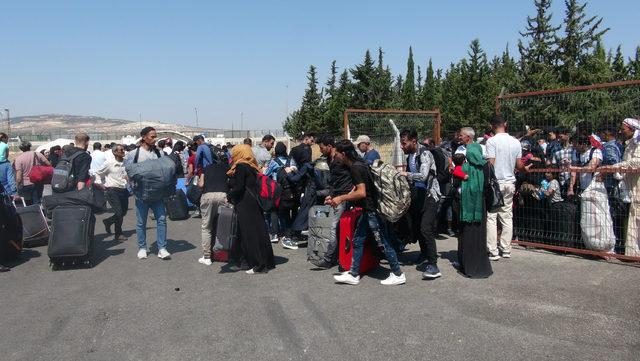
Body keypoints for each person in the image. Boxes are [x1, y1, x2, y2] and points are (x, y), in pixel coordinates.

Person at [329, 140, 406, 286]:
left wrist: (341, 198)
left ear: (343, 154)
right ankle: (353, 273)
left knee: (383, 242)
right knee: (358, 241)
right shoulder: (359, 164)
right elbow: (358, 187)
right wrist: (336, 197)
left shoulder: (356, 168)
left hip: (372, 211)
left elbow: (362, 192)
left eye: (337, 153)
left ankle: (398, 273)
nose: (335, 155)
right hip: (368, 211)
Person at [399, 129, 442, 279]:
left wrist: (406, 174)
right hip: (419, 197)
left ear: (414, 141)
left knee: (425, 229)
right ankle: (424, 254)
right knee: (417, 227)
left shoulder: (425, 154)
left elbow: (423, 176)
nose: (401, 146)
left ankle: (434, 265)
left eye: (404, 143)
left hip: (431, 196)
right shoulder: (410, 156)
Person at [226, 144, 275, 274]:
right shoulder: (252, 166)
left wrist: (229, 195)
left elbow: (239, 187)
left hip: (245, 203)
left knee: (250, 234)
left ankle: (258, 264)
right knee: (254, 232)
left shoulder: (241, 166)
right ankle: (250, 260)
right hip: (252, 202)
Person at [485, 116, 527, 261]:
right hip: (510, 182)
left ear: (492, 126)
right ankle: (506, 248)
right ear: (506, 124)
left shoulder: (491, 141)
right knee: (507, 216)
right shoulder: (515, 142)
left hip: (495, 183)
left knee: (491, 216)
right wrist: (525, 169)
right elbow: (519, 165)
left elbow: (491, 163)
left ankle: (492, 249)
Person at [126, 127, 171, 260]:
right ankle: (142, 248)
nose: (155, 139)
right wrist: (133, 188)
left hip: (158, 195)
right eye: (152, 136)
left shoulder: (159, 153)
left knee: (162, 220)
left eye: (155, 136)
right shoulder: (134, 154)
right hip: (142, 195)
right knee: (141, 222)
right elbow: (128, 173)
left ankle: (162, 248)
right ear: (144, 137)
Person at [310, 134, 353, 268]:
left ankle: (329, 259)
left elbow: (354, 173)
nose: (320, 150)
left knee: (334, 228)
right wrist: (331, 194)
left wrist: (349, 192)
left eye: (322, 147)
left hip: (344, 197)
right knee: (337, 228)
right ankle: (339, 257)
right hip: (337, 196)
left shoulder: (341, 158)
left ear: (329, 146)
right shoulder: (330, 159)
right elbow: (335, 180)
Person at [601, 118, 640, 257]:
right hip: (630, 188)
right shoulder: (629, 144)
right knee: (633, 221)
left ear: (632, 129)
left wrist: (614, 167)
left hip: (637, 188)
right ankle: (633, 254)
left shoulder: (638, 143)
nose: (620, 132)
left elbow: (636, 162)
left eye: (623, 129)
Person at [457, 142, 493, 278]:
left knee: (467, 235)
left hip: (467, 207)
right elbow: (489, 185)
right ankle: (482, 266)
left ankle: (468, 266)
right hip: (480, 207)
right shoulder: (486, 166)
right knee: (480, 236)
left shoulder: (464, 167)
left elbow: (455, 184)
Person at [197, 152, 230, 266]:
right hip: (223, 195)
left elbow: (201, 184)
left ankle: (207, 257)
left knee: (206, 227)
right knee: (225, 226)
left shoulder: (206, 168)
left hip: (208, 196)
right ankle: (225, 253)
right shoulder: (227, 168)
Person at [263, 142, 298, 245]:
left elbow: (266, 174)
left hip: (276, 190)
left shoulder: (273, 162)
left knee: (274, 210)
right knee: (287, 212)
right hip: (289, 190)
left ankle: (274, 234)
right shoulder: (291, 160)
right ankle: (288, 233)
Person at [95, 144, 129, 241]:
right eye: (121, 150)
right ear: (115, 152)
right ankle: (118, 234)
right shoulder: (109, 163)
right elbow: (98, 173)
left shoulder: (126, 162)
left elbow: (127, 174)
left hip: (123, 189)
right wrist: (100, 183)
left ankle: (108, 221)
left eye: (124, 150)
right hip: (112, 190)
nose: (123, 151)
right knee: (118, 213)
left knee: (123, 212)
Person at [0, 133, 17, 198]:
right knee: (8, 179)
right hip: (4, 163)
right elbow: (6, 156)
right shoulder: (5, 145)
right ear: (3, 138)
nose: (7, 140)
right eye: (7, 138)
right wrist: (15, 192)